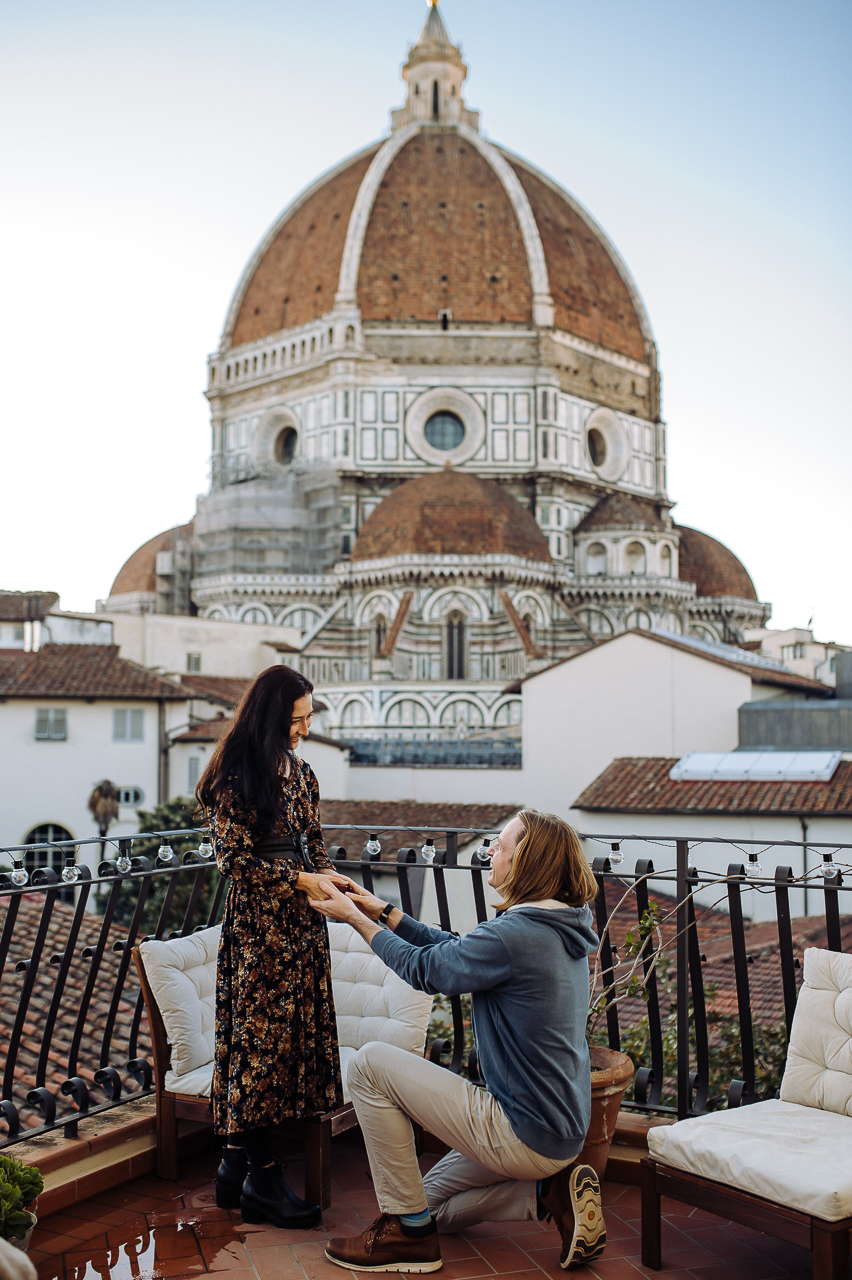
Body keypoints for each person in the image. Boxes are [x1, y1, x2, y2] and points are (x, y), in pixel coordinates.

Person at [310, 808, 605, 1273]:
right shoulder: (555, 925)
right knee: (431, 1209)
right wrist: (380, 909)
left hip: (519, 1129)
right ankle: (545, 1192)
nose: (491, 851)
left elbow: (426, 970)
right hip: (561, 1133)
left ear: (527, 861)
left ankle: (407, 1239)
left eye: (501, 846)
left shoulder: (517, 935)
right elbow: (453, 949)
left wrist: (352, 919)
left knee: (368, 1064)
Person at [196, 664, 354, 1229]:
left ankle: (232, 1169)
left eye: (309, 718)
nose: (304, 729)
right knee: (259, 1053)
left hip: (302, 930)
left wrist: (332, 881)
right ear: (270, 717)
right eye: (296, 720)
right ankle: (262, 1178)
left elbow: (314, 846)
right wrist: (299, 882)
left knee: (287, 1049)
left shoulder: (303, 774)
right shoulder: (235, 776)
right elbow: (233, 862)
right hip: (259, 935)